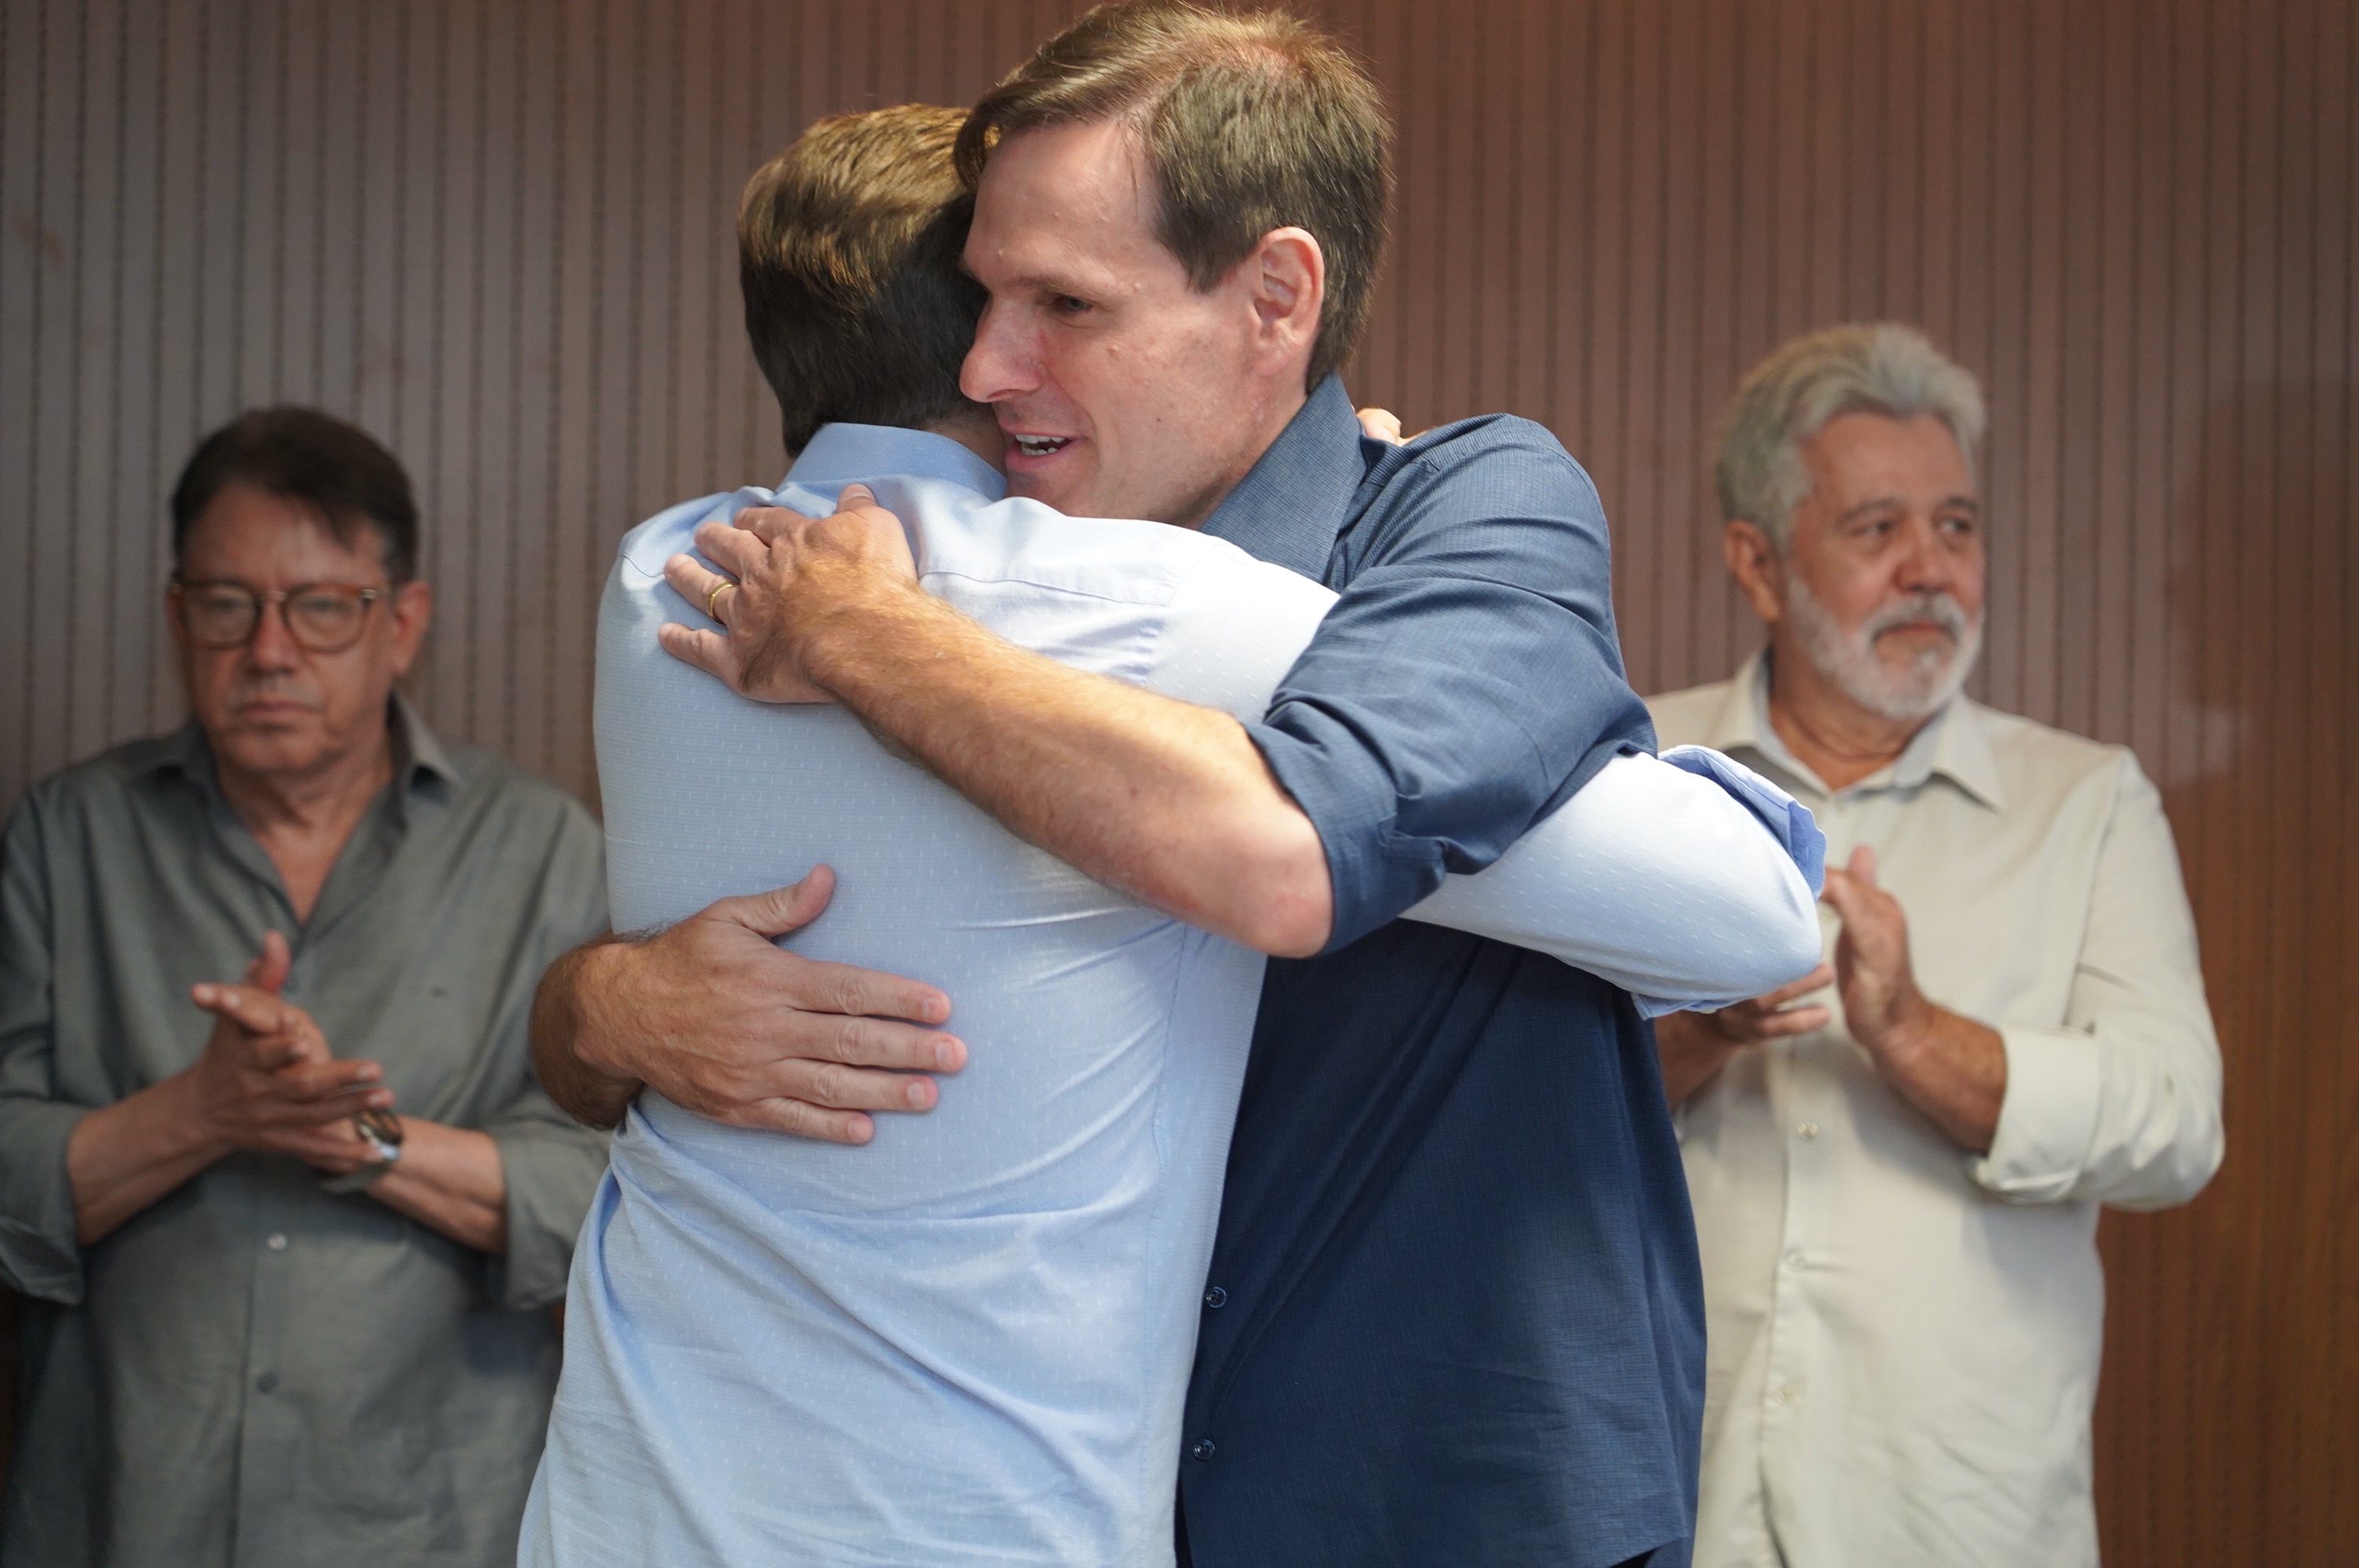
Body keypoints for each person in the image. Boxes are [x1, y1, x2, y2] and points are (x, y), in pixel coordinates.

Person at [538, 6, 1766, 1563]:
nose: (986, 369)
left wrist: (867, 640)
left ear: (1275, 300)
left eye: (1062, 304)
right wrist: (603, 1007)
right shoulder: (998, 579)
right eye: (982, 299)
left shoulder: (1444, 520)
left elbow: (1730, 908)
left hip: (1434, 1492)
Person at [1648, 323, 2225, 1567]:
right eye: (1878, 529)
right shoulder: (1631, 777)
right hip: (1668, 1507)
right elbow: (1498, 1110)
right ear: (1758, 563)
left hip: (1957, 1522)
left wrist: (1912, 1035)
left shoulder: (2088, 804)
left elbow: (2178, 1125)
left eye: (1957, 526)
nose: (1931, 570)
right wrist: (1697, 1033)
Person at [0, 409, 611, 1568]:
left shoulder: (541, 851)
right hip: (123, 1514)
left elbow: (610, 1192)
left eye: (321, 607)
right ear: (178, 617)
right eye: (228, 605)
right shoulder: (67, 839)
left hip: (432, 1525)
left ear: (402, 623)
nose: (269, 651)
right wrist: (201, 1114)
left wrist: (357, 1133)